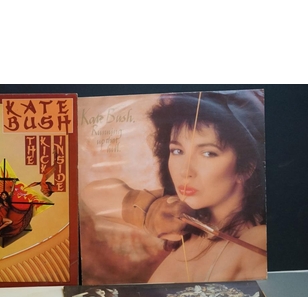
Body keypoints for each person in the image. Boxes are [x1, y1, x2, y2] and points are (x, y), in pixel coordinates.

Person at [83, 90, 266, 283]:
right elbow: (92, 194)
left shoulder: (257, 240)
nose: (185, 171)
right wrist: (148, 210)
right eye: (177, 151)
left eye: (208, 153)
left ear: (246, 167)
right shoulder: (181, 215)